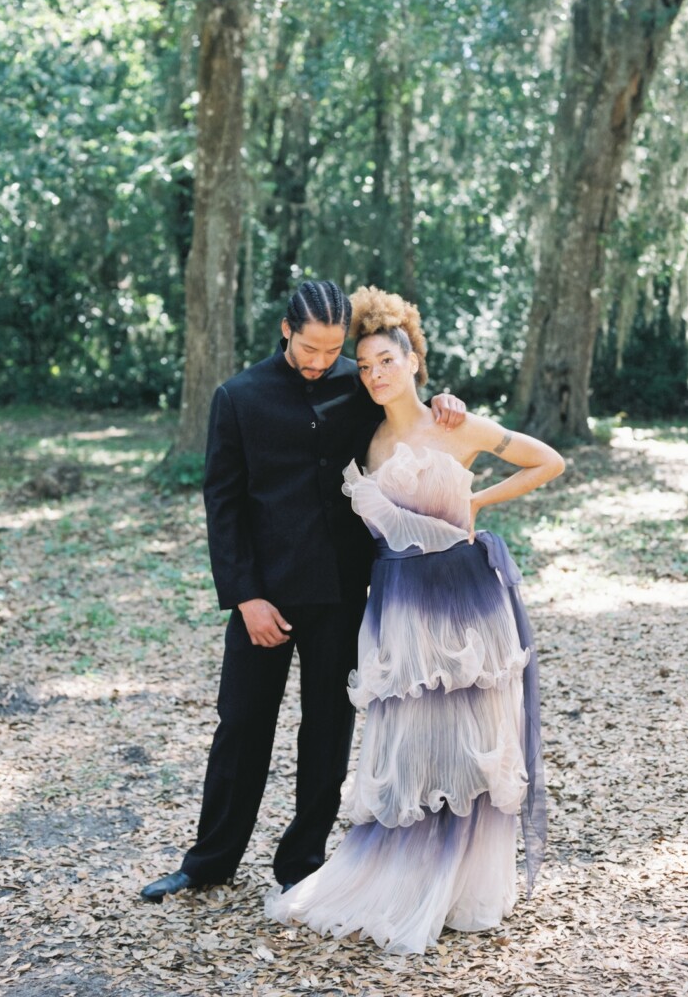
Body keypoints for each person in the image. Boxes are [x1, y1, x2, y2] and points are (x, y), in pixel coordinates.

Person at [140, 280, 465, 903]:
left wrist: (447, 402)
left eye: (332, 350)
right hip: (264, 594)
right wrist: (245, 596)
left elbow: (411, 414)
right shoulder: (237, 397)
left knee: (326, 728)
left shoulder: (361, 383)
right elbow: (224, 503)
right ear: (286, 331)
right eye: (311, 349)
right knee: (240, 725)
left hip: (342, 592)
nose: (323, 363)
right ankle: (208, 861)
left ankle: (303, 862)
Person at [267, 285, 565, 954]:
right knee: (409, 746)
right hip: (399, 606)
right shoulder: (362, 439)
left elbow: (548, 460)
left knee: (472, 743)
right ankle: (406, 872)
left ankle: (462, 884)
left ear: (412, 360)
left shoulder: (453, 425)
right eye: (365, 365)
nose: (374, 374)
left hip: (466, 601)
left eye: (386, 361)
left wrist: (474, 499)